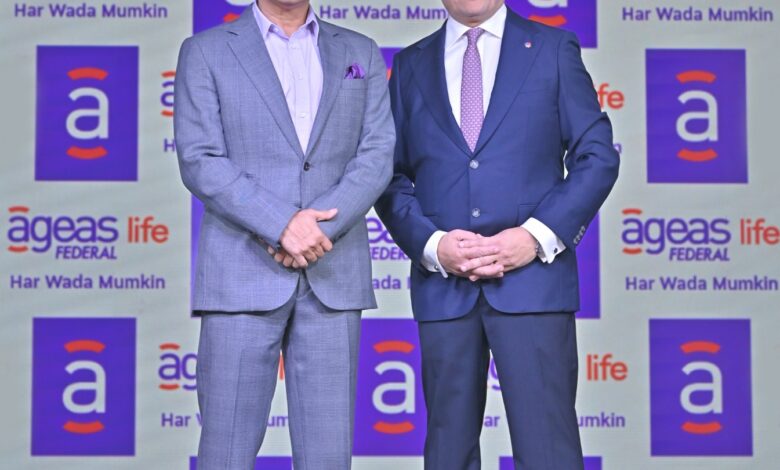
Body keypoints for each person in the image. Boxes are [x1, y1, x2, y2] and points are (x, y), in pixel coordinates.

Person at [375, 0, 619, 468]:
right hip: (445, 288)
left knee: (548, 452)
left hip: (533, 285)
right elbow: (386, 175)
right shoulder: (409, 65)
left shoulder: (552, 48)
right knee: (448, 454)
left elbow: (597, 156)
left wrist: (534, 237)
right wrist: (433, 246)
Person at [174, 0, 394, 467]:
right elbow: (200, 159)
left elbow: (377, 155)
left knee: (328, 456)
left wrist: (314, 231)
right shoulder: (206, 51)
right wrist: (280, 224)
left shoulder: (360, 51)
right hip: (241, 273)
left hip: (332, 274)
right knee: (226, 452)